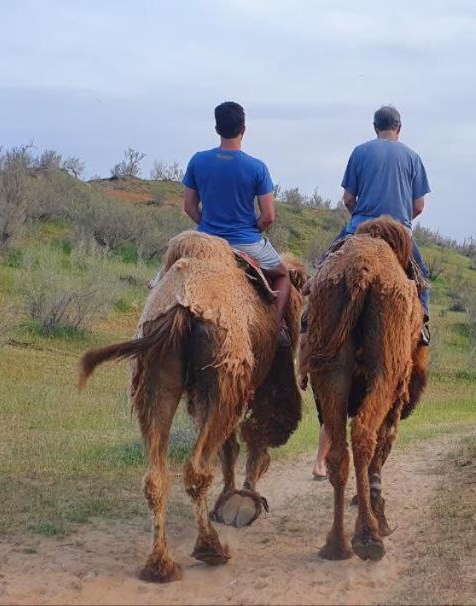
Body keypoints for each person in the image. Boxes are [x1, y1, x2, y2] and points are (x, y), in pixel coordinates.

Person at [312, 104, 431, 480]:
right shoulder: (412, 156)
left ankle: (307, 321)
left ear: (375, 127)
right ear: (399, 127)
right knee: (421, 277)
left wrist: (362, 208)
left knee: (324, 270)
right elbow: (418, 205)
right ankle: (423, 324)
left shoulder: (360, 152)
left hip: (359, 229)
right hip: (398, 232)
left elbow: (348, 200)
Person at [181, 101, 290, 325]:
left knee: (168, 275)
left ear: (217, 129)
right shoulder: (257, 167)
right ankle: (274, 328)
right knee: (282, 275)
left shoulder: (197, 160)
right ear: (243, 129)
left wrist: (208, 225)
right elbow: (268, 216)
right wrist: (251, 228)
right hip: (245, 243)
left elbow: (189, 207)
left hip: (206, 242)